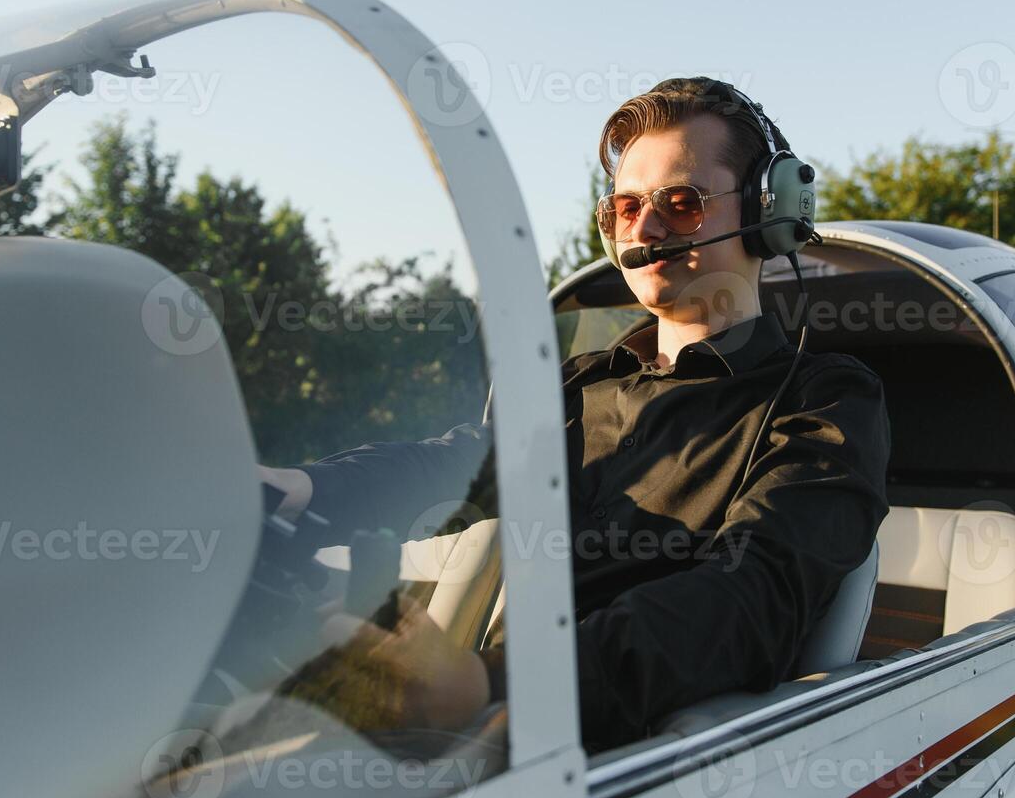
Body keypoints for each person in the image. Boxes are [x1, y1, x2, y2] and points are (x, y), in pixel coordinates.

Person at [264, 77, 891, 754]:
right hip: (482, 734)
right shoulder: (582, 385)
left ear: (769, 211)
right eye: (623, 208)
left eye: (680, 203)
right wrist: (302, 490)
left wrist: (492, 684)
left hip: (636, 765)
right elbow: (460, 464)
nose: (643, 229)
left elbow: (752, 596)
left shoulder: (824, 399)